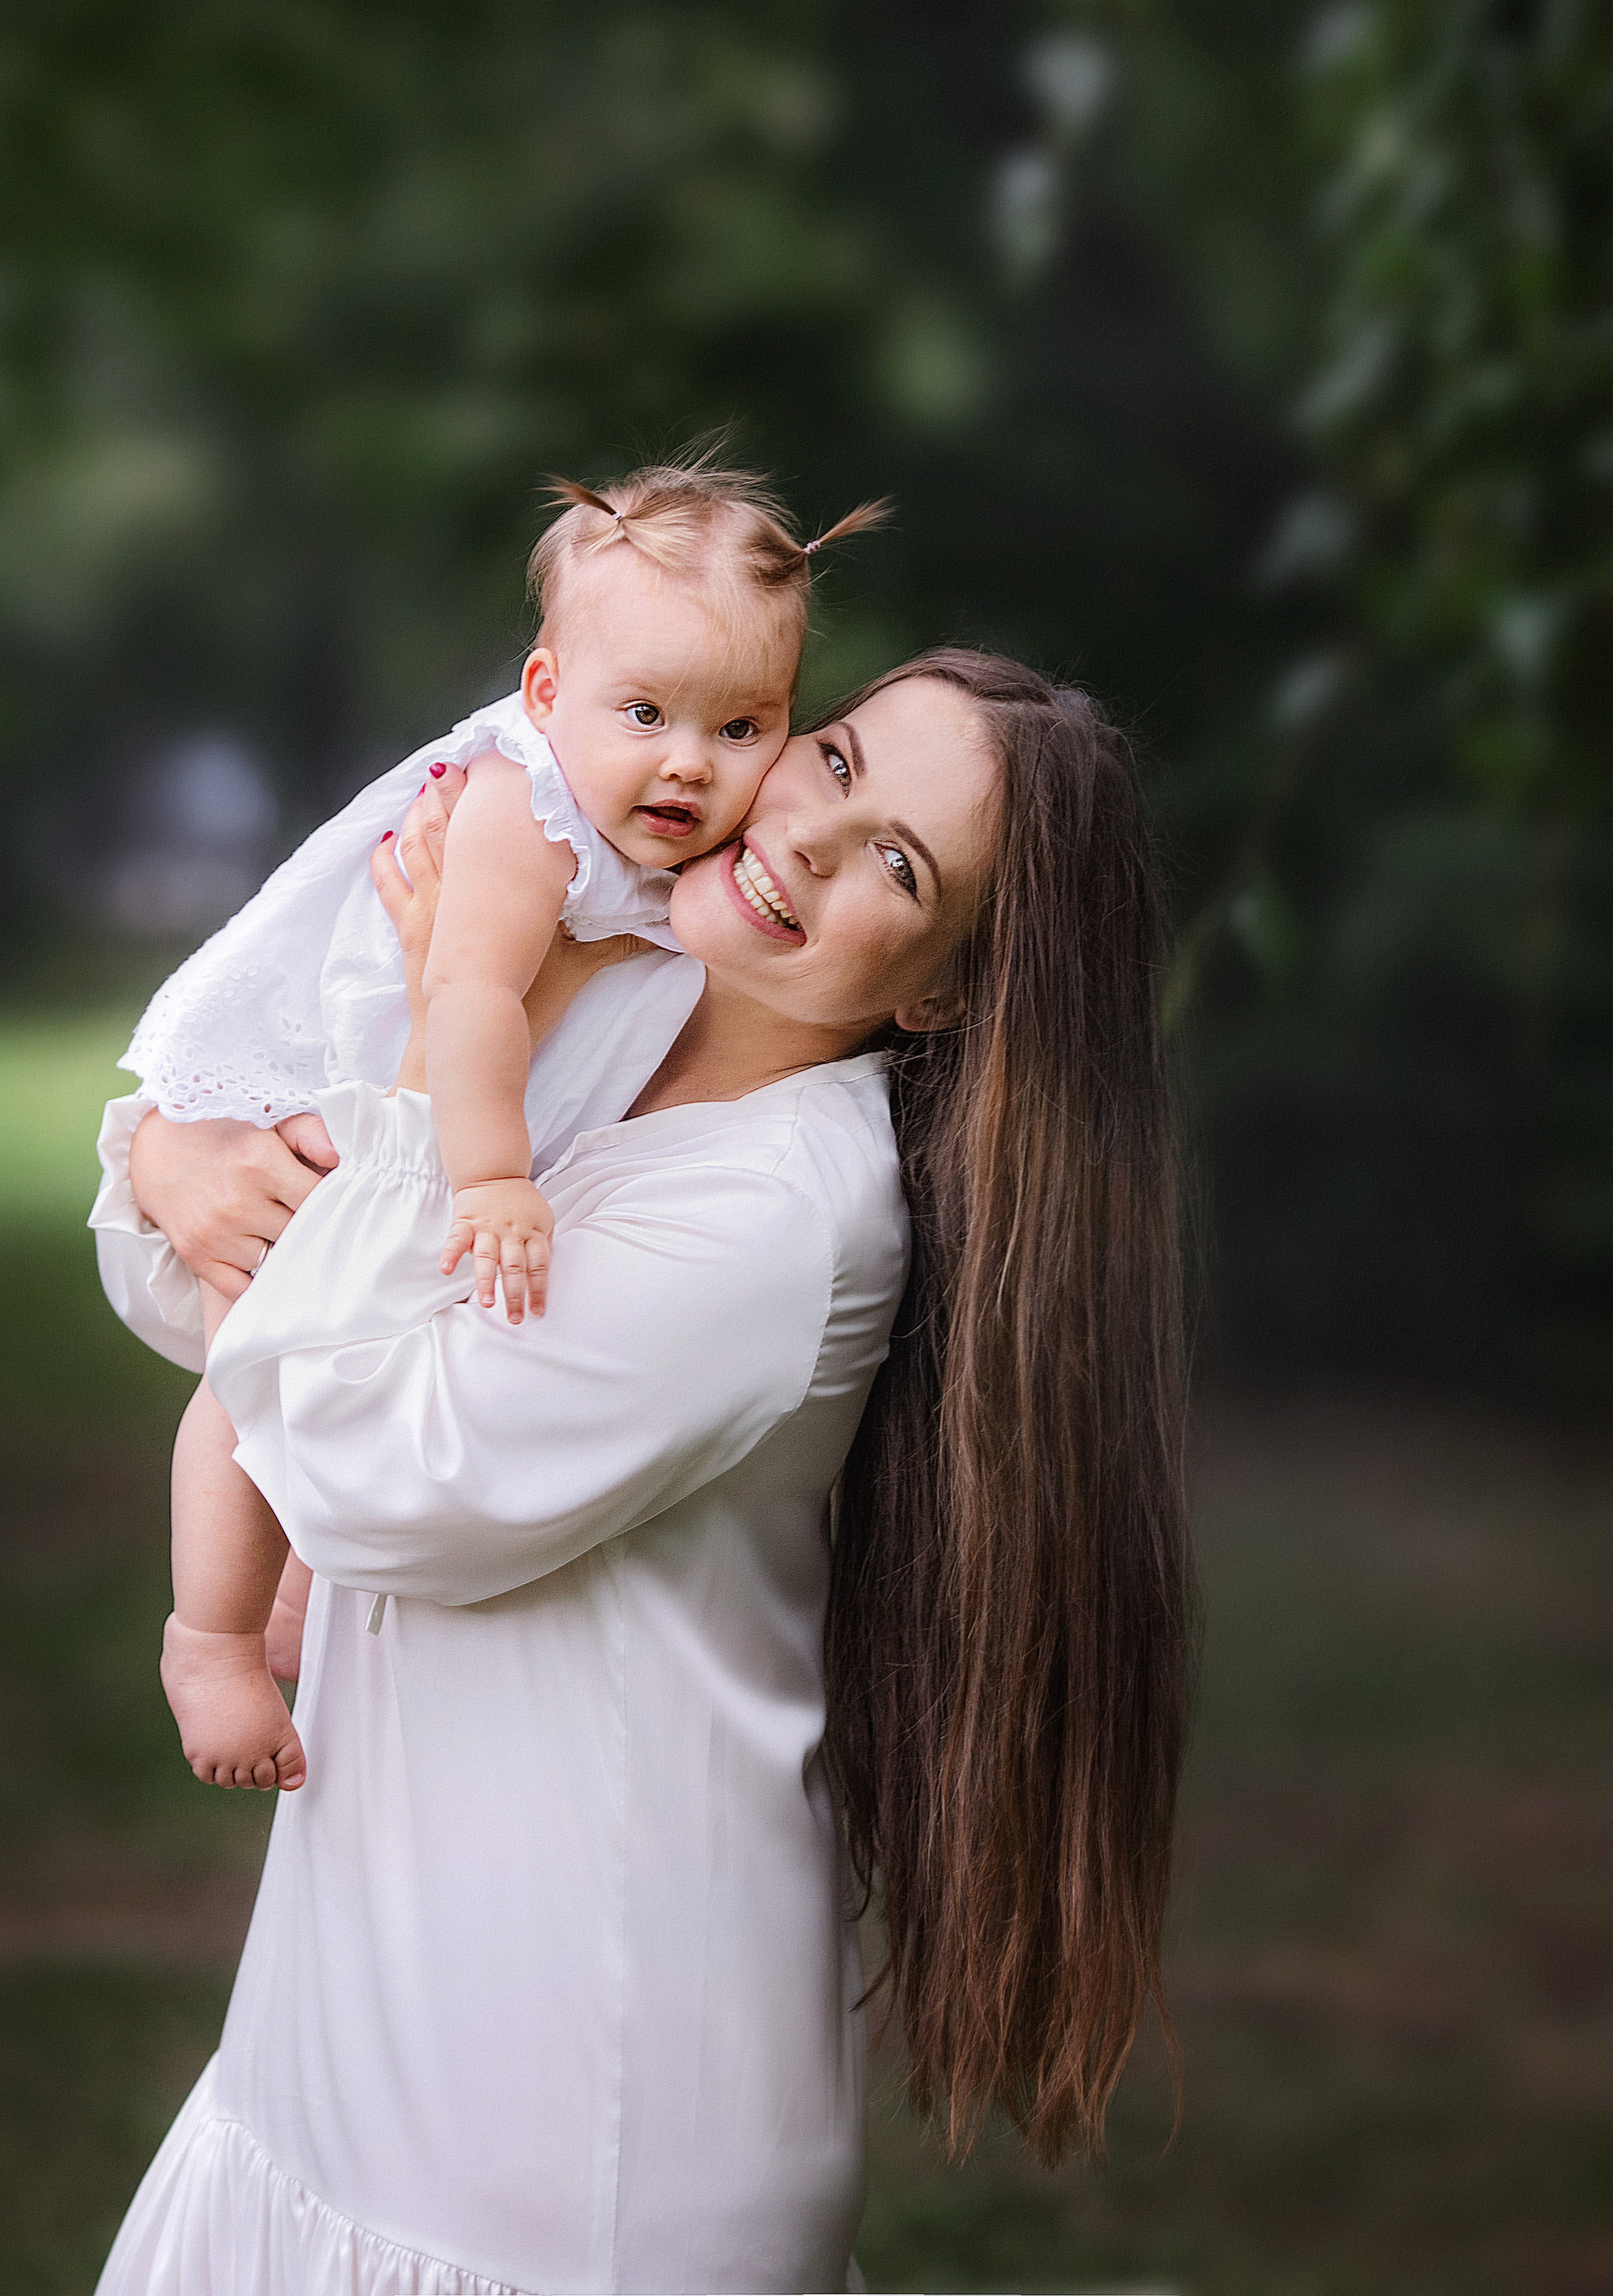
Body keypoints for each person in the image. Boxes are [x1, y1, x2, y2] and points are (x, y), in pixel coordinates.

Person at [89, 650, 1191, 2296]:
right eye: (829, 759)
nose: (812, 838)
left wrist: (416, 1078)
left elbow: (375, 1475)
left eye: (898, 862)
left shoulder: (783, 1215)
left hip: (564, 2116)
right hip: (354, 2019)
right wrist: (170, 1156)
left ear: (946, 989)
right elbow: (212, 1301)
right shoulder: (604, 1011)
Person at [123, 463, 885, 1796]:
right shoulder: (524, 814)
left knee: (331, 1353)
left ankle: (299, 1574)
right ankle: (211, 1638)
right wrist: (490, 1181)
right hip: (332, 1087)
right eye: (644, 713)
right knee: (254, 1370)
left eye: (743, 726)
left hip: (395, 1114)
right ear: (545, 696)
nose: (687, 764)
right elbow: (467, 992)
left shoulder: (687, 841)